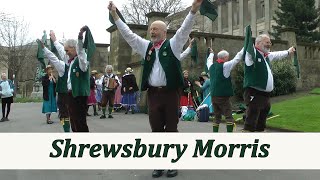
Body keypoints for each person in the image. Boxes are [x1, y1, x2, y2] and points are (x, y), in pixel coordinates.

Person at [108, 0, 203, 178]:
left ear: (164, 32)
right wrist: (115, 16)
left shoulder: (174, 45)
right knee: (156, 129)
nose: (152, 32)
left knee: (171, 129)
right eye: (151, 29)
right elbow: (128, 35)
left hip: (170, 94)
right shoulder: (146, 47)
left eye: (156, 29)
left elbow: (183, 31)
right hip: (153, 94)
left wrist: (192, 11)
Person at [41, 26, 93, 132]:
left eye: (67, 50)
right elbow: (58, 54)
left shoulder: (82, 61)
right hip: (71, 94)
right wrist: (48, 45)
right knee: (73, 120)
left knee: (80, 122)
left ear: (74, 48)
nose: (66, 53)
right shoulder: (70, 60)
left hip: (79, 95)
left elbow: (81, 52)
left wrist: (79, 38)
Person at [243, 34, 295, 132]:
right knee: (251, 121)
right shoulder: (251, 56)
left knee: (261, 122)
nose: (269, 44)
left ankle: (260, 138)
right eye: (267, 42)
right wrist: (248, 43)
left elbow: (277, 55)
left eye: (270, 42)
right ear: (258, 43)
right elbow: (248, 51)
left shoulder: (266, 56)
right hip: (254, 93)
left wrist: (288, 52)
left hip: (265, 95)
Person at [207, 48, 243, 132]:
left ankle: (215, 134)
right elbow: (237, 59)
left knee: (217, 116)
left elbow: (208, 60)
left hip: (213, 96)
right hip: (223, 97)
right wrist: (244, 48)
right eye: (228, 57)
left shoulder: (211, 66)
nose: (228, 59)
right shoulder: (225, 66)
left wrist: (211, 54)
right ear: (225, 58)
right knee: (228, 116)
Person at [42, 30, 71, 132]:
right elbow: (58, 54)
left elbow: (54, 58)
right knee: (72, 115)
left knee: (64, 115)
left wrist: (45, 48)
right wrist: (54, 41)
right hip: (74, 94)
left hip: (64, 94)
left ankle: (66, 132)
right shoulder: (77, 62)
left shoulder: (63, 66)